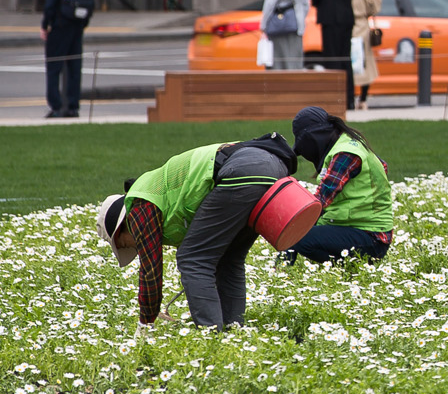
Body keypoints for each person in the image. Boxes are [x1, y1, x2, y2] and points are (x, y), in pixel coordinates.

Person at [96, 133, 298, 329]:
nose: (133, 247)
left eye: (123, 244)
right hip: (272, 168)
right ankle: (234, 333)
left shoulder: (139, 207)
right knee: (229, 259)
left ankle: (211, 338)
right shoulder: (152, 192)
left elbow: (151, 272)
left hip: (242, 171)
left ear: (122, 225)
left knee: (193, 259)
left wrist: (145, 324)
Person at [283, 106, 394, 262]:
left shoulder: (345, 153)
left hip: (370, 237)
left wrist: (290, 232)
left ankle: (341, 269)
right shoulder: (350, 143)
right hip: (361, 230)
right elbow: (383, 167)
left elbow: (320, 201)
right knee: (299, 234)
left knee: (298, 237)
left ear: (313, 139)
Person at [40, 0, 92, 118]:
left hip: (60, 25)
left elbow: (51, 3)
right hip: (77, 26)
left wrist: (45, 24)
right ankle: (72, 106)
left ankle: (56, 107)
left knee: (54, 66)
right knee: (74, 67)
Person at [351, 0, 383, 110]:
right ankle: (363, 98)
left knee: (350, 65)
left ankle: (350, 97)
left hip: (349, 27)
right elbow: (375, 7)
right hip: (363, 28)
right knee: (365, 66)